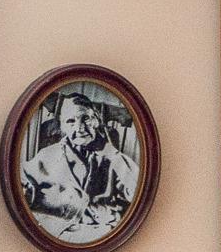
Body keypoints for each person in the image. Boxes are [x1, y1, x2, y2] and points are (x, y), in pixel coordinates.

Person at [22, 92, 139, 242]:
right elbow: (22, 186)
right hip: (63, 233)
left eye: (86, 119)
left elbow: (139, 190)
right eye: (71, 121)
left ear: (95, 121)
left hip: (104, 233)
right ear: (63, 127)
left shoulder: (111, 156)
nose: (80, 128)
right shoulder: (47, 155)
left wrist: (111, 153)